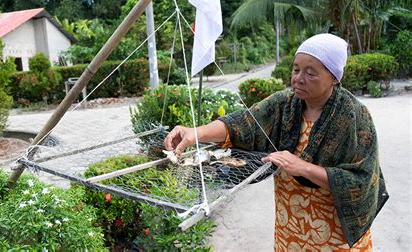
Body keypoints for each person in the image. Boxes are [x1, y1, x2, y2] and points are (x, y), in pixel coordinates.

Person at [164, 33, 388, 251]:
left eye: (311, 73)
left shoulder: (354, 117)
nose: (298, 78)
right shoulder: (283, 104)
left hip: (334, 236)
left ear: (334, 77)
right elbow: (242, 123)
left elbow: (362, 181)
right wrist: (196, 132)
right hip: (289, 228)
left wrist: (302, 167)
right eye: (296, 69)